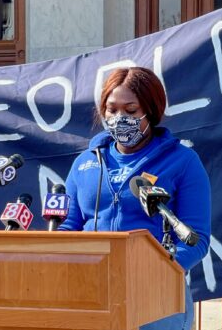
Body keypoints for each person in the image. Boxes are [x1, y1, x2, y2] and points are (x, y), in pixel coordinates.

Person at [58, 67, 211, 330]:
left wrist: (154, 271)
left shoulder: (183, 162)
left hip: (156, 298)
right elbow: (69, 226)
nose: (119, 118)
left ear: (150, 111)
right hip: (92, 292)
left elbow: (196, 240)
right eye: (111, 109)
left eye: (130, 111)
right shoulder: (85, 163)